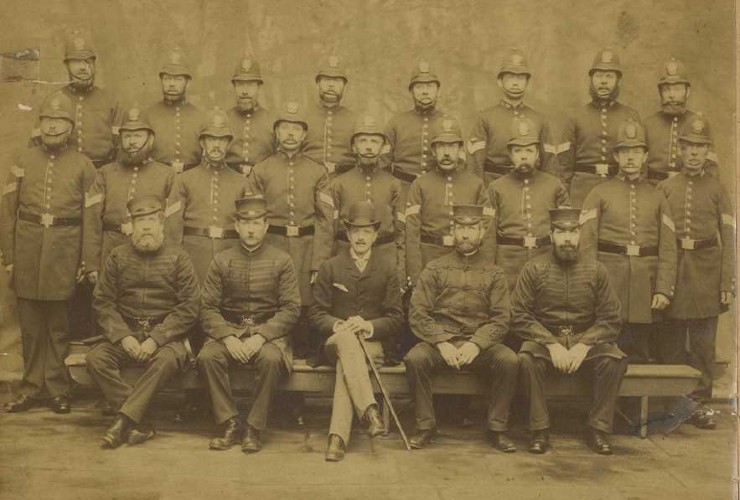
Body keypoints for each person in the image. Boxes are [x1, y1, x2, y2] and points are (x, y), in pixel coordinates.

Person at [1, 93, 96, 414]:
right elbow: (7, 211)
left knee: (58, 325)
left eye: (60, 122)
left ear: (70, 128)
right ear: (39, 125)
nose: (53, 127)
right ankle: (30, 388)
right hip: (27, 249)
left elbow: (90, 218)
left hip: (64, 250)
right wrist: (11, 257)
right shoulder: (23, 159)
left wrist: (87, 258)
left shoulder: (83, 165)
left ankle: (57, 388)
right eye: (48, 121)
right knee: (29, 324)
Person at [86, 195, 200, 448]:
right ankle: (140, 421)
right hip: (126, 334)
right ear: (131, 226)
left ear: (162, 224)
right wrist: (124, 336)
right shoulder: (117, 256)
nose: (146, 227)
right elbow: (102, 302)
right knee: (96, 359)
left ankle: (123, 421)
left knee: (166, 360)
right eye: (140, 221)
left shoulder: (179, 257)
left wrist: (156, 339)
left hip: (166, 338)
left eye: (152, 220)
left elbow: (189, 307)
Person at [404, 205, 518, 452]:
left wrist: (477, 344)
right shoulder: (434, 268)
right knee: (415, 359)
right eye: (460, 228)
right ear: (453, 231)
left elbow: (501, 318)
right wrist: (441, 342)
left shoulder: (494, 272)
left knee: (509, 361)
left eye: (472, 228)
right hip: (441, 342)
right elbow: (418, 312)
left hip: (478, 345)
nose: (465, 234)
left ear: (481, 232)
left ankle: (497, 428)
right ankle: (425, 426)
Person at [513, 208, 626, 455]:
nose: (567, 238)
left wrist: (584, 344)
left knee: (614, 360)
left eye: (572, 232)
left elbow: (611, 317)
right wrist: (551, 343)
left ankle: (598, 428)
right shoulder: (534, 268)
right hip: (545, 338)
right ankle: (539, 429)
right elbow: (519, 315)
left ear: (580, 235)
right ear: (551, 235)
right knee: (526, 359)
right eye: (560, 232)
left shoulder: (596, 270)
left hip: (585, 339)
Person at [198, 196, 301, 453]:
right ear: (237, 226)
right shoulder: (221, 260)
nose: (251, 229)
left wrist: (262, 336)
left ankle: (254, 427)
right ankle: (230, 421)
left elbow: (291, 308)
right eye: (246, 223)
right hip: (230, 330)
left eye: (257, 223)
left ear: (266, 226)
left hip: (268, 334)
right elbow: (207, 307)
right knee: (208, 357)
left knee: (270, 359)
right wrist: (227, 337)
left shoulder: (282, 260)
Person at [656, 117, 735, 429]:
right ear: (680, 149)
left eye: (700, 148)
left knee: (703, 344)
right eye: (689, 147)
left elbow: (729, 237)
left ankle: (701, 404)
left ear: (707, 152)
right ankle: (675, 402)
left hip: (707, 270)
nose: (694, 153)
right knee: (671, 342)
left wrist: (727, 280)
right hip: (675, 266)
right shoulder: (665, 187)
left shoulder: (717, 190)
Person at [309, 200, 403, 461]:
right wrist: (338, 325)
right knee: (346, 341)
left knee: (346, 367)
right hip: (334, 343)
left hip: (373, 345)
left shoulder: (387, 269)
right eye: (356, 232)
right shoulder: (331, 267)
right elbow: (315, 313)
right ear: (348, 235)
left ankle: (337, 438)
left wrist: (369, 325)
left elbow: (396, 318)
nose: (361, 237)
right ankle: (369, 409)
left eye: (367, 232)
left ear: (375, 236)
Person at [580, 118, 677, 362]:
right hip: (610, 280)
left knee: (640, 354)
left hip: (646, 285)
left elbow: (668, 247)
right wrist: (590, 286)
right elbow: (587, 244)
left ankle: (636, 402)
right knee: (606, 353)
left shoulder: (657, 196)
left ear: (645, 157)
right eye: (625, 152)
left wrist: (664, 288)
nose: (631, 158)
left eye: (636, 152)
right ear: (616, 157)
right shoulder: (598, 193)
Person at [247, 101, 333, 358]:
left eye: (296, 129)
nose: (291, 134)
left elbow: (326, 219)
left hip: (306, 246)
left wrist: (319, 261)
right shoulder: (261, 170)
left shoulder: (318, 171)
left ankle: (302, 364)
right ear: (276, 132)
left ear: (305, 134)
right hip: (271, 243)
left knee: (304, 305)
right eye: (285, 128)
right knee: (271, 300)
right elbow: (252, 217)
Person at [83, 106, 175, 280]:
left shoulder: (166, 175)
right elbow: (92, 220)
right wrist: (91, 264)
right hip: (110, 251)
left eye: (138, 136)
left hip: (151, 254)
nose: (132, 142)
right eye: (127, 137)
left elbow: (171, 225)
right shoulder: (105, 173)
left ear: (150, 139)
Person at [165, 108, 251, 281]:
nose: (216, 146)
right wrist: (175, 259)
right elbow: (173, 224)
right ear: (202, 143)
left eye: (222, 140)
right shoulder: (184, 179)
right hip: (193, 254)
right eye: (211, 139)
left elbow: (249, 225)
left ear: (228, 144)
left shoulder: (241, 182)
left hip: (230, 254)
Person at [405, 117, 491, 286]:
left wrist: (483, 268)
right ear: (433, 151)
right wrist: (415, 273)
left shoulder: (476, 184)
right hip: (428, 259)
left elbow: (486, 230)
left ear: (460, 149)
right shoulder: (420, 184)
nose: (446, 152)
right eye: (440, 146)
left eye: (451, 146)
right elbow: (412, 233)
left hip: (466, 261)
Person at [488, 117, 570, 292]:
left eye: (529, 151)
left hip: (545, 259)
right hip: (508, 263)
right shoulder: (496, 187)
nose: (524, 156)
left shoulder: (554, 185)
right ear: (510, 155)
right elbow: (488, 234)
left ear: (538, 154)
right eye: (518, 151)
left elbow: (566, 231)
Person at [324, 114, 405, 283]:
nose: (369, 147)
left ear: (383, 147)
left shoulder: (393, 184)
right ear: (353, 147)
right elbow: (328, 231)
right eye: (363, 141)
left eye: (374, 142)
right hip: (346, 256)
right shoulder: (339, 183)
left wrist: (401, 270)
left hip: (385, 256)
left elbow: (401, 232)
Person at [558, 48, 642, 207]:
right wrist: (565, 199)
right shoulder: (576, 117)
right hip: (582, 191)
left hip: (619, 189)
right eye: (598, 76)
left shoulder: (631, 116)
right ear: (591, 80)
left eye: (609, 76)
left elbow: (641, 162)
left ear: (619, 81)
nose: (603, 81)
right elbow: (564, 165)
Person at [468, 48, 559, 183]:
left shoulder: (539, 119)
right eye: (510, 77)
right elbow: (475, 164)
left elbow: (549, 165)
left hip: (531, 186)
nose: (515, 83)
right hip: (493, 185)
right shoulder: (485, 118)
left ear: (527, 83)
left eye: (521, 78)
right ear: (500, 81)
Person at [32, 32, 122, 168]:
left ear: (94, 65)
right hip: (63, 174)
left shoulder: (110, 101)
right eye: (76, 62)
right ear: (67, 66)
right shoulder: (53, 100)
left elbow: (121, 146)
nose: (82, 68)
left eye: (87, 62)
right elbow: (36, 145)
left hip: (101, 173)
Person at [381, 60, 446, 206]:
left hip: (438, 192)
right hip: (403, 192)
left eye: (430, 86)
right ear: (411, 91)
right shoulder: (396, 123)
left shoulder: (448, 123)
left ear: (438, 91)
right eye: (419, 87)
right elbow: (382, 166)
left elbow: (459, 166)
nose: (425, 91)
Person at [644, 58, 719, 183]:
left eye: (677, 89)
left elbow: (711, 168)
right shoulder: (648, 124)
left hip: (687, 188)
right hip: (653, 190)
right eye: (666, 89)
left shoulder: (699, 123)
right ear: (660, 93)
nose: (671, 94)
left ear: (687, 91)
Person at [145, 49, 204, 173]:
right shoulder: (148, 115)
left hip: (190, 179)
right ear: (161, 81)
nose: (171, 84)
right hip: (156, 179)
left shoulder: (200, 116)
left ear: (187, 82)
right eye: (167, 79)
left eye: (178, 79)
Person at [303, 55, 357, 177]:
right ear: (318, 84)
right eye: (326, 80)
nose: (331, 85)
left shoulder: (354, 119)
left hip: (345, 180)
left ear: (344, 87)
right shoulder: (304, 117)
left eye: (337, 81)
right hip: (308, 179)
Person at [225, 56, 275, 176]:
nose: (245, 91)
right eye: (240, 85)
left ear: (259, 87)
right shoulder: (224, 119)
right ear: (234, 87)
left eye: (251, 85)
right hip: (228, 182)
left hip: (263, 182)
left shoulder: (272, 120)